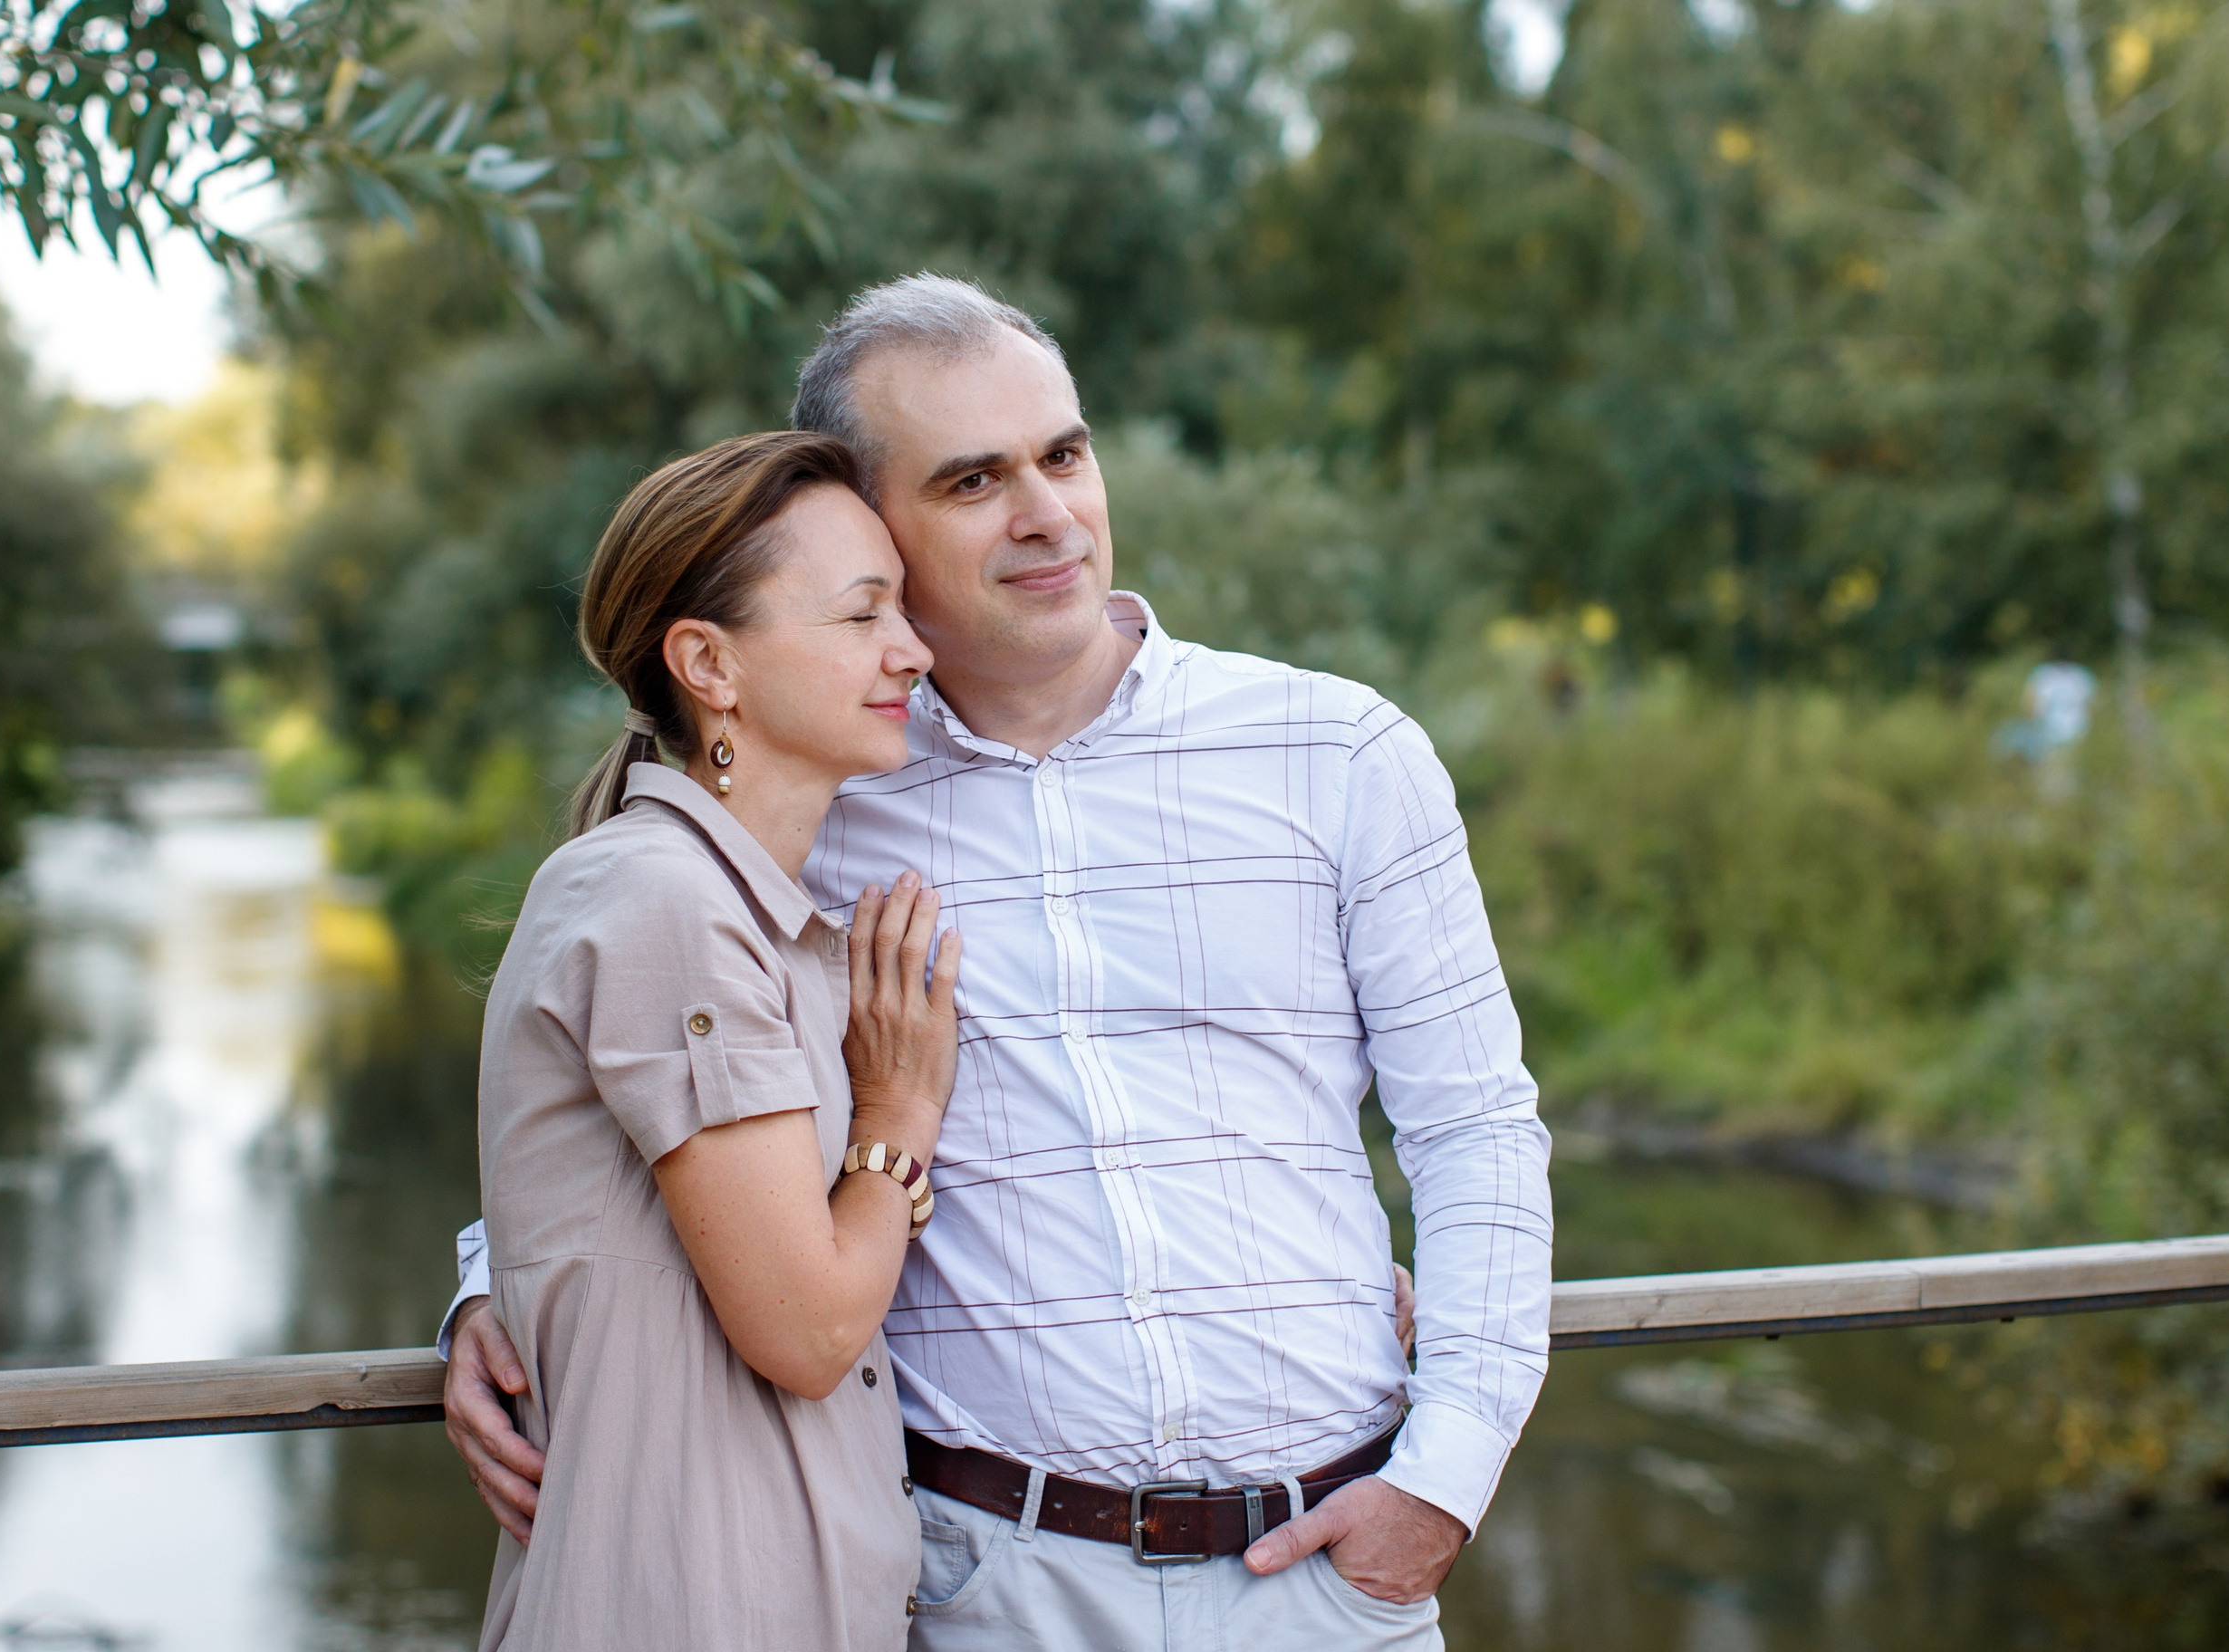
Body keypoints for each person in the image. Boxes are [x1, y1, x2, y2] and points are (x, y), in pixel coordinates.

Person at [443, 277, 1553, 1651]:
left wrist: (1443, 1482)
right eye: (973, 480)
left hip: (1329, 1580)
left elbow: (1476, 1128)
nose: (1047, 515)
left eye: (1064, 455)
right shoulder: (811, 793)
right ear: (872, 526)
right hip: (980, 1588)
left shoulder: (1338, 753)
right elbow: (624, 1056)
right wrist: (494, 1289)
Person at [471, 429, 964, 1649]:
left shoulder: (733, 905)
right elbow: (807, 1331)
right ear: (708, 664)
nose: (912, 650)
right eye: (862, 614)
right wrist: (898, 1118)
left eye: (901, 610)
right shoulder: (668, 903)